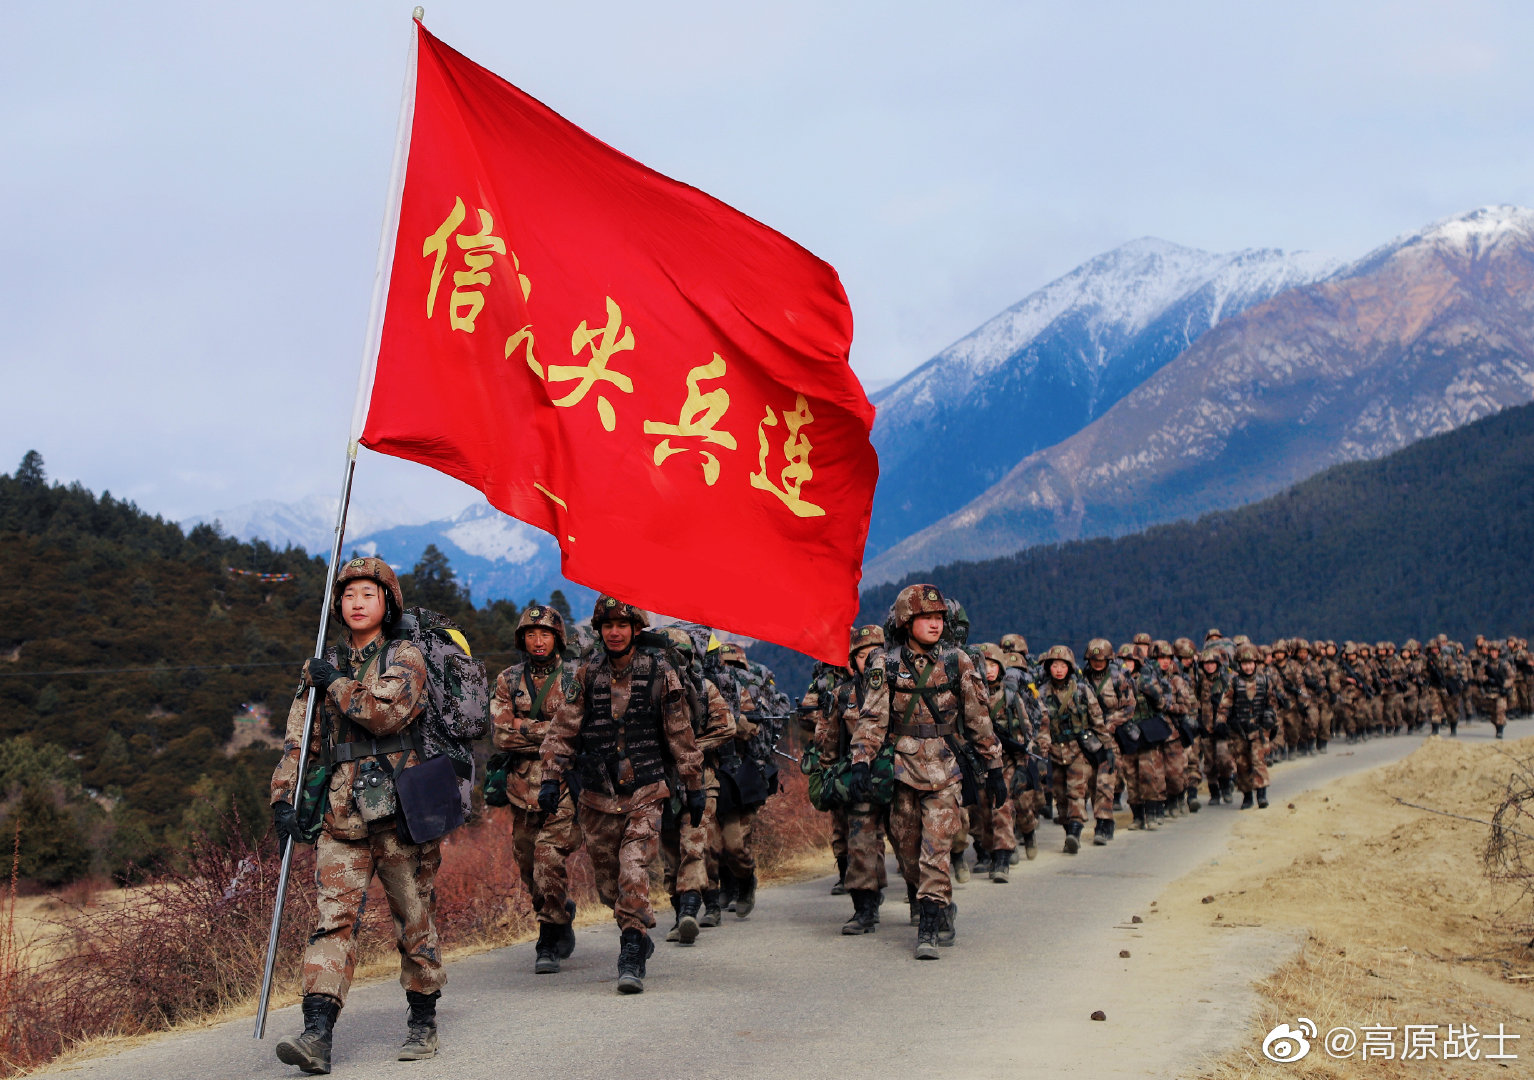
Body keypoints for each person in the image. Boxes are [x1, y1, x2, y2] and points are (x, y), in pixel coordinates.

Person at [270, 556, 446, 1073]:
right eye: (348, 596)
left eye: (368, 594)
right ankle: (316, 1034)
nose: (357, 603)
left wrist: (335, 684)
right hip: (339, 819)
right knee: (333, 923)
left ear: (386, 603)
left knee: (413, 921)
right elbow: (299, 740)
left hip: (400, 814)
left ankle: (422, 1019)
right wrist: (282, 799)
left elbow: (384, 712)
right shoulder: (321, 668)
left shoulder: (406, 657)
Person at [538, 597, 704, 994]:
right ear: (600, 630)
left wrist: (693, 785)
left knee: (634, 870)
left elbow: (680, 733)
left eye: (622, 625)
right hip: (597, 797)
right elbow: (563, 730)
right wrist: (550, 777)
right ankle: (637, 932)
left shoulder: (661, 673)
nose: (615, 632)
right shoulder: (587, 674)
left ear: (636, 629)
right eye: (608, 625)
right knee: (610, 886)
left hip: (646, 790)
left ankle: (631, 948)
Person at [850, 585, 1004, 959]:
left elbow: (979, 719)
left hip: (946, 768)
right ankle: (933, 900)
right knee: (907, 852)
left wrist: (994, 764)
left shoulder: (958, 662)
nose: (935, 625)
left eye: (939, 618)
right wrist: (860, 760)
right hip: (901, 769)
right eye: (926, 618)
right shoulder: (883, 666)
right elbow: (872, 718)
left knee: (936, 849)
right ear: (906, 622)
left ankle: (930, 924)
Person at [488, 604, 584, 974]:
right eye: (530, 634)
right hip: (520, 790)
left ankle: (548, 936)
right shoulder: (508, 680)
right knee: (529, 865)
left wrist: (524, 726)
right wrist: (551, 730)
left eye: (544, 633)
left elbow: (578, 732)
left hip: (563, 786)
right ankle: (560, 912)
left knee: (548, 858)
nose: (537, 640)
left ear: (557, 637)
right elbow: (500, 735)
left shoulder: (576, 677)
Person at [823, 625, 892, 933]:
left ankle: (923, 902)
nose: (870, 660)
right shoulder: (843, 696)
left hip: (902, 775)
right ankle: (864, 907)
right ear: (852, 661)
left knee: (910, 840)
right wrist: (828, 780)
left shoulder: (903, 690)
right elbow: (829, 742)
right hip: (861, 778)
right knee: (861, 843)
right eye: (862, 655)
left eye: (876, 654)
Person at [1035, 644, 1109, 853]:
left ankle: (1075, 832)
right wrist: (1042, 753)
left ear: (1070, 667)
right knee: (1060, 796)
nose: (1058, 670)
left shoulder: (1083, 691)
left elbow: (1097, 720)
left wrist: (1108, 748)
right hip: (1055, 751)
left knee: (1076, 792)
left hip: (1078, 750)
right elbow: (1040, 725)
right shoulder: (1041, 693)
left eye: (1063, 665)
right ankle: (1069, 829)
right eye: (1054, 665)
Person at [1216, 643, 1278, 809]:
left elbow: (1272, 703)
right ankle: (1247, 796)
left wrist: (1272, 719)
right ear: (1240, 665)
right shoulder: (1234, 683)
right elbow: (1225, 704)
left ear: (1256, 663)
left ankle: (1262, 795)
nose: (1248, 667)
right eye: (1245, 663)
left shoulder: (1264, 681)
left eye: (1251, 663)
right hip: (1239, 730)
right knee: (1242, 764)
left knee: (1258, 761)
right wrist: (1221, 721)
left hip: (1258, 729)